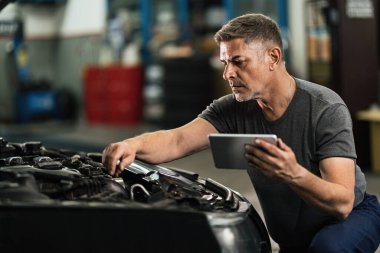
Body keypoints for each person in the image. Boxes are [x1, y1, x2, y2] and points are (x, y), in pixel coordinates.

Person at [102, 13, 380, 252]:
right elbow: (177, 140)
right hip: (295, 236)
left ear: (273, 57)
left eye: (238, 62)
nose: (228, 74)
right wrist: (132, 145)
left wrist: (292, 173)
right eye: (224, 63)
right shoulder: (233, 108)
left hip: (350, 220)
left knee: (328, 247)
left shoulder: (325, 107)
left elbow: (342, 202)